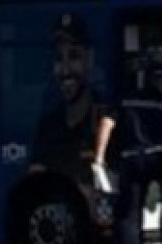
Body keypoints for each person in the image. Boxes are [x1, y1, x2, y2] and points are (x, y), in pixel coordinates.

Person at [93, 56, 162, 244]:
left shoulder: (123, 98)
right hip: (158, 155)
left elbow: (106, 124)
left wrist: (99, 158)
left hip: (130, 159)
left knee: (129, 213)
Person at [30, 12, 107, 187]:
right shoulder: (48, 126)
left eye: (74, 56)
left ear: (90, 59)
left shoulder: (105, 121)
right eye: (58, 58)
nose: (65, 70)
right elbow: (34, 187)